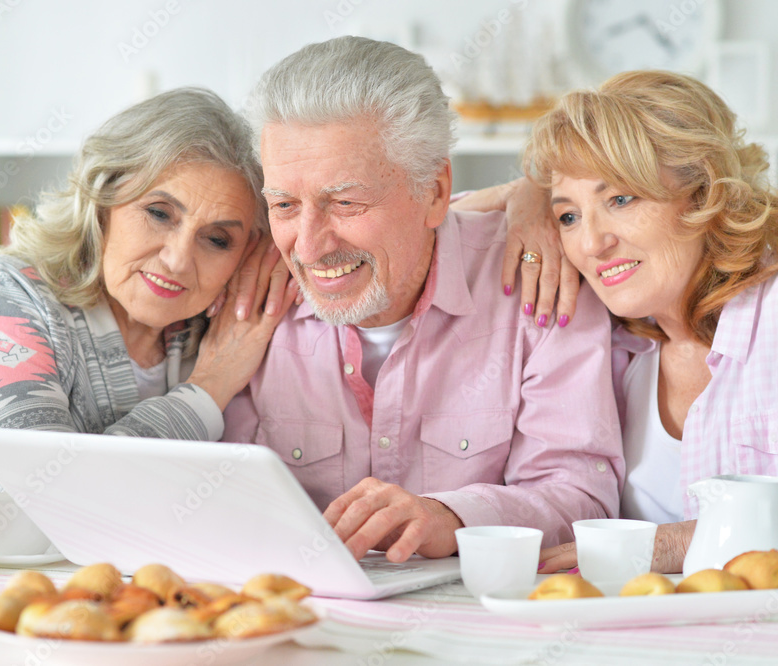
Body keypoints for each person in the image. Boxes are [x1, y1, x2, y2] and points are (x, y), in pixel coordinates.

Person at [222, 36, 625, 563]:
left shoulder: (540, 280)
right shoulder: (249, 292)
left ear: (434, 193)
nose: (309, 245)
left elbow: (584, 497)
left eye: (345, 202)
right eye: (284, 204)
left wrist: (454, 518)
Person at [0, 88, 297, 533]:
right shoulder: (7, 302)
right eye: (159, 213)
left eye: (217, 240)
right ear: (102, 199)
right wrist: (208, 389)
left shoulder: (212, 329)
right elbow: (44, 512)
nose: (178, 259)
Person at [507, 70, 778, 574]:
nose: (591, 243)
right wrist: (520, 201)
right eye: (568, 217)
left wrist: (677, 545)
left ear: (703, 191)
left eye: (620, 200)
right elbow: (424, 216)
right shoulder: (614, 345)